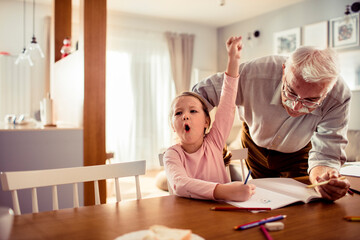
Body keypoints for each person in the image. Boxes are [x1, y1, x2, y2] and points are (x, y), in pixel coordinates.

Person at [192, 45, 351, 201]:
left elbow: (326, 155)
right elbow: (199, 95)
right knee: (262, 197)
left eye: (310, 100)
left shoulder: (338, 97)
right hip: (255, 141)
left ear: (330, 88)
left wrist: (323, 179)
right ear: (284, 71)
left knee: (300, 204)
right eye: (291, 92)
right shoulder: (254, 74)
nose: (295, 106)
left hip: (299, 150)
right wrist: (202, 140)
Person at [163, 36, 256, 201]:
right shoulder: (172, 154)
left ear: (206, 122)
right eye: (178, 113)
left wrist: (233, 59)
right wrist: (224, 191)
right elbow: (181, 184)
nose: (185, 115)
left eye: (193, 111)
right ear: (172, 125)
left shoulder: (214, 142)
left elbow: (227, 103)